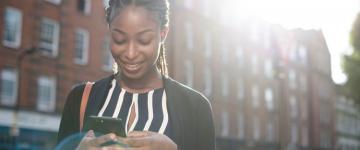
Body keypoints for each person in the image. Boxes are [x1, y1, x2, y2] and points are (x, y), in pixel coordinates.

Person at [57, 0, 215, 149]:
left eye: (144, 40)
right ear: (109, 31)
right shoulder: (79, 99)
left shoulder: (196, 108)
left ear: (163, 33)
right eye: (119, 39)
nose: (131, 54)